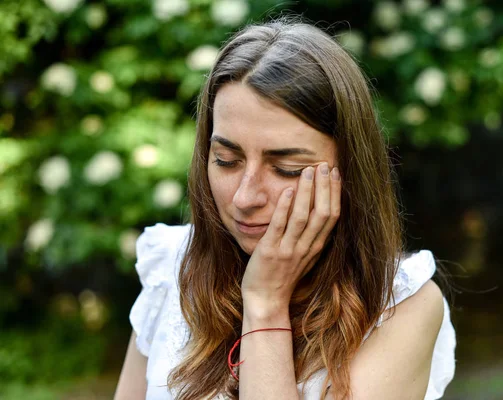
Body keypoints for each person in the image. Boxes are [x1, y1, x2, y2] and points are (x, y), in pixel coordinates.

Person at [114, 18, 456, 400]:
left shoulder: (400, 307)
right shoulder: (172, 268)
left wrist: (265, 303)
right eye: (226, 159)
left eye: (287, 169)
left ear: (350, 171)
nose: (245, 197)